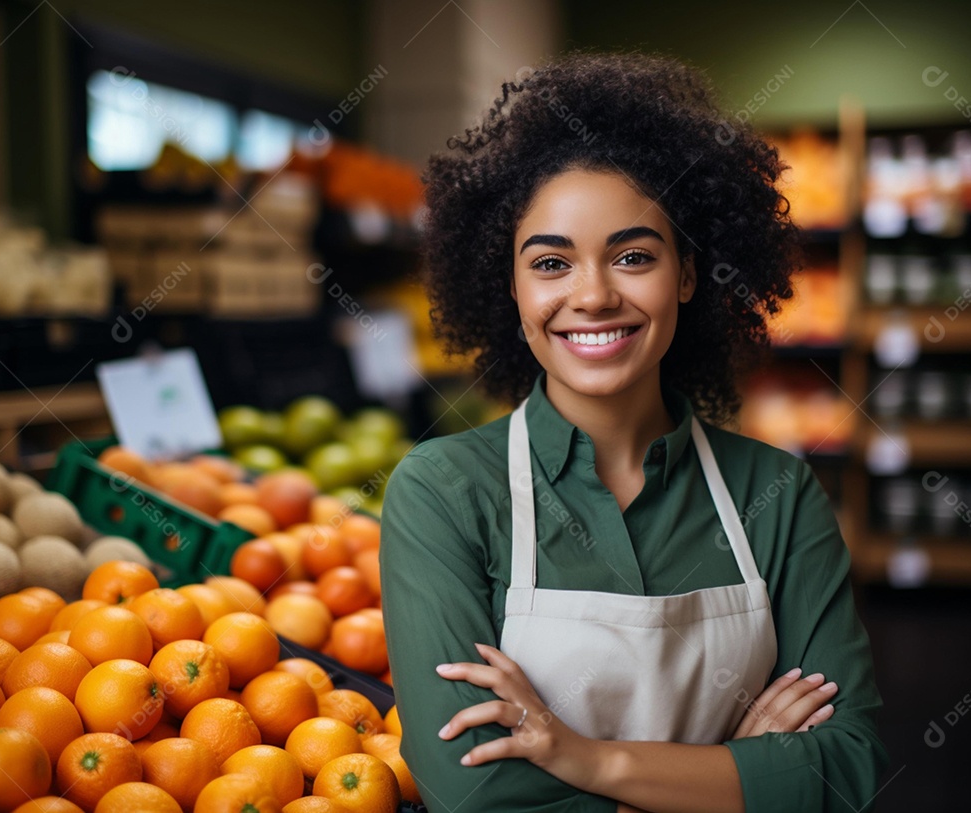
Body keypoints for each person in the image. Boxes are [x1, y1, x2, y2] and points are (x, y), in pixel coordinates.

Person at [379, 52, 887, 813]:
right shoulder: (443, 492)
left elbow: (847, 768)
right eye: (551, 262)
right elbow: (474, 786)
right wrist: (733, 770)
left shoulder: (777, 494)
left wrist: (589, 759)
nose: (593, 295)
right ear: (510, 288)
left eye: (634, 256)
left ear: (686, 273)